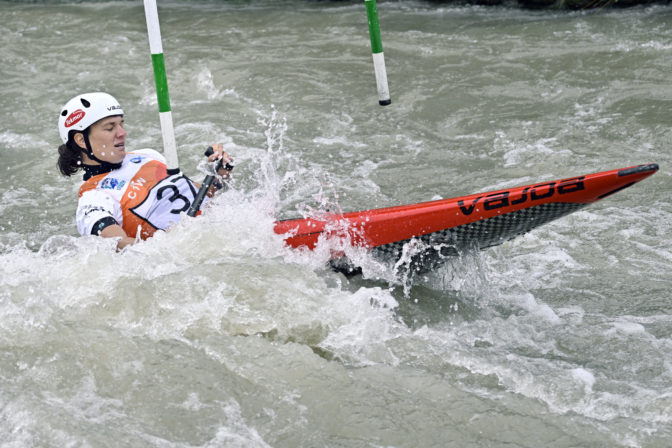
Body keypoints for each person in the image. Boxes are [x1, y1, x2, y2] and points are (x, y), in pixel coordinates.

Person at [57, 92, 232, 250]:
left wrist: (219, 173)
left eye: (121, 124)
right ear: (81, 140)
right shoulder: (93, 200)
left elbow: (205, 197)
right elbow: (118, 246)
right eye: (110, 128)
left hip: (229, 223)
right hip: (200, 250)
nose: (122, 133)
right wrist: (176, 245)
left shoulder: (147, 155)